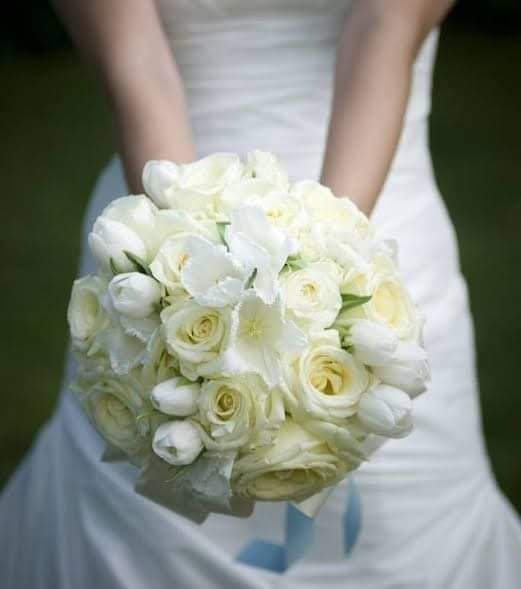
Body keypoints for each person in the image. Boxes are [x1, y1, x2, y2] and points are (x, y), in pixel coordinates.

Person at [1, 1, 520, 587]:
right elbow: (134, 57)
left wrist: (328, 283)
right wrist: (182, 279)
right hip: (161, 209)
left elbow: (386, 23)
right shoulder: (168, 250)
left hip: (375, 214)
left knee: (404, 529)